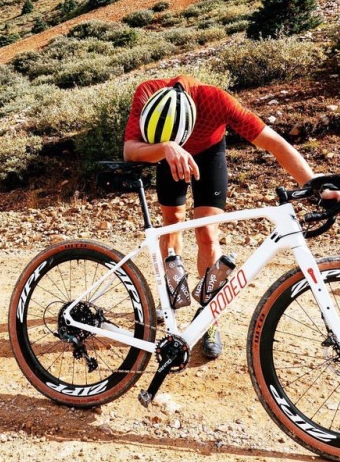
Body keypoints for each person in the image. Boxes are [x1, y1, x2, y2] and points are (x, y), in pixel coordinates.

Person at [123, 75, 323, 359]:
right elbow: (130, 150)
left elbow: (274, 143)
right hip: (165, 153)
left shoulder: (216, 100)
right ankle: (170, 296)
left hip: (208, 152)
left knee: (207, 232)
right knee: (172, 222)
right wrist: (166, 147)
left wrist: (315, 183)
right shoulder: (147, 92)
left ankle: (208, 316)